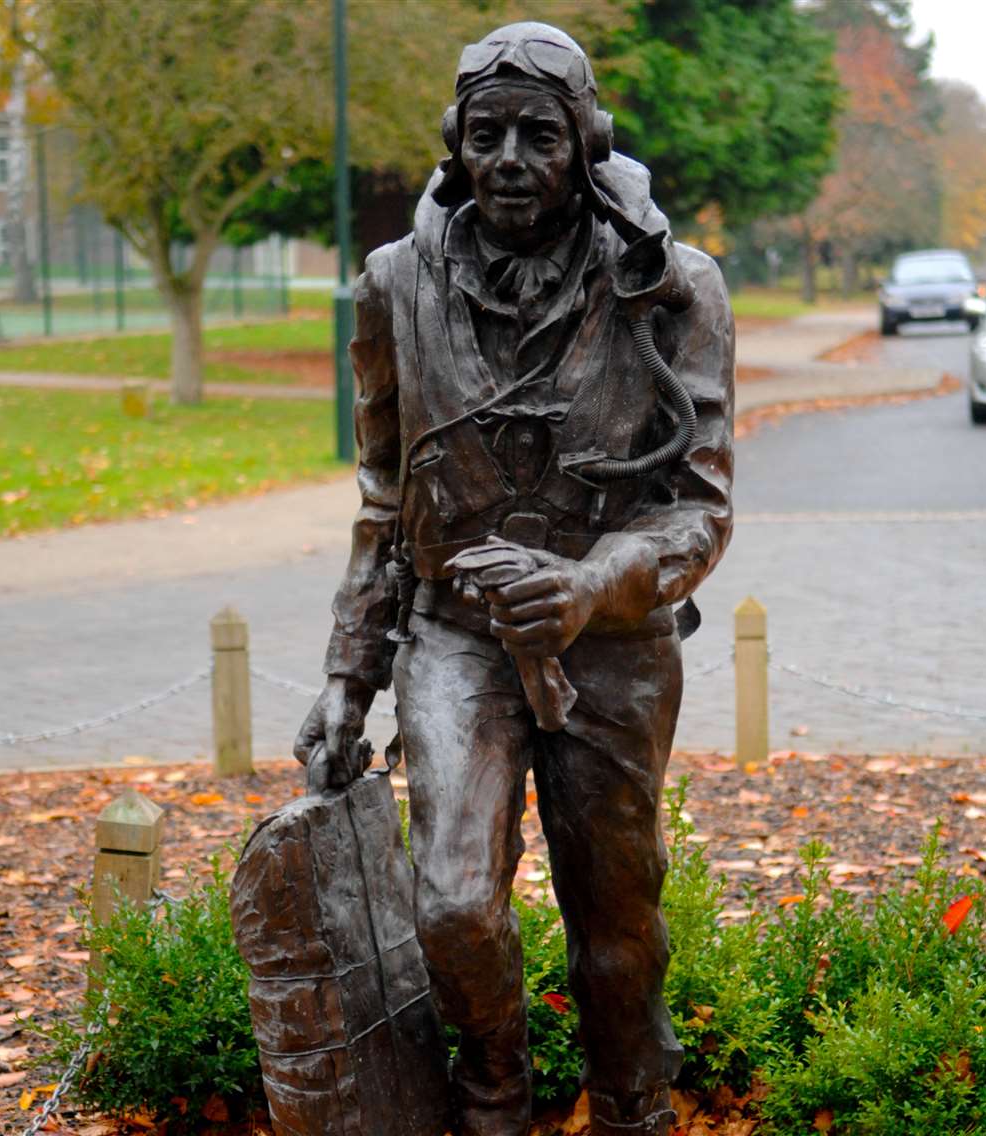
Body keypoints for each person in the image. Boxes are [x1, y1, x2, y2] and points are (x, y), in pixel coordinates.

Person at [294, 22, 733, 1136]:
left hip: (616, 645)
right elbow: (384, 497)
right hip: (455, 632)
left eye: (539, 134)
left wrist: (593, 583)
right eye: (484, 134)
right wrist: (351, 672)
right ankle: (496, 1098)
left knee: (618, 921)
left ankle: (634, 1105)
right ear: (453, 142)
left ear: (585, 142)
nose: (508, 159)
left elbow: (701, 506)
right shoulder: (392, 285)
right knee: (451, 904)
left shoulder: (675, 287)